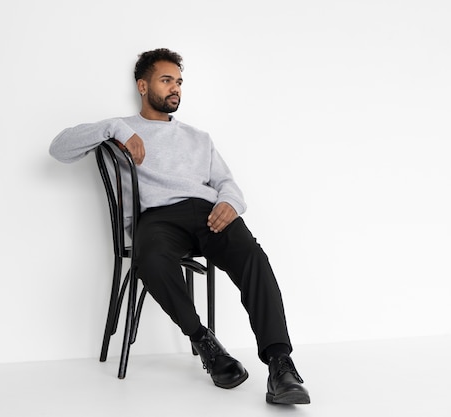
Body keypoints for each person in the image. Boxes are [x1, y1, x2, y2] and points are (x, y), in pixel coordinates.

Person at [49, 48, 310, 405]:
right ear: (143, 86)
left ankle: (281, 364)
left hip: (207, 214)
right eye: (166, 80)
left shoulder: (198, 137)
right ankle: (205, 342)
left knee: (253, 256)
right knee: (152, 260)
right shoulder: (120, 131)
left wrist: (230, 203)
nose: (176, 89)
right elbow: (59, 149)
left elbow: (226, 181)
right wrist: (117, 129)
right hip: (157, 218)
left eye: (179, 82)